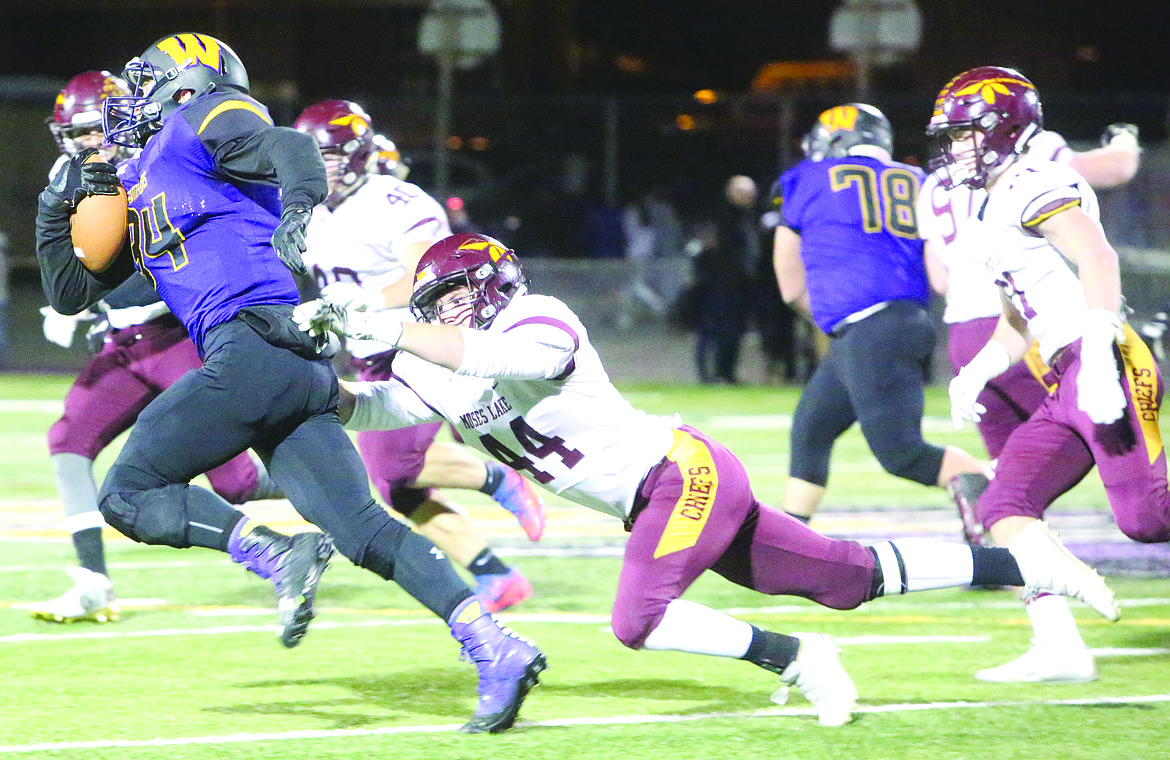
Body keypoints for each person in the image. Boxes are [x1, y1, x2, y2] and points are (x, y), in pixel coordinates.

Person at [295, 231, 1118, 727]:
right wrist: (309, 381)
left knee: (635, 619)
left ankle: (793, 658)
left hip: (679, 474)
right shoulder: (440, 356)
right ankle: (1028, 566)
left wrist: (384, 324)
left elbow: (498, 357)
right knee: (843, 576)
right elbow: (381, 410)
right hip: (657, 495)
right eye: (429, 305)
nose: (437, 315)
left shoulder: (537, 318)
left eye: (446, 301)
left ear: (484, 290)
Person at [35, 33, 544, 733]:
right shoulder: (144, 174)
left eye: (146, 82)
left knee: (127, 491)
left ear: (185, 82)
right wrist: (52, 209)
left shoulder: (198, 120)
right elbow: (69, 290)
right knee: (363, 529)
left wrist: (300, 209)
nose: (133, 101)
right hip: (289, 363)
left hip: (254, 345)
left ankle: (275, 553)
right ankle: (497, 646)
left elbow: (292, 150)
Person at [929, 65, 1165, 684]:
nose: (955, 149)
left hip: (1101, 361)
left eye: (964, 134)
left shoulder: (1037, 180)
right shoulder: (990, 203)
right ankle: (1061, 650)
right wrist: (979, 367)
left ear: (1004, 129)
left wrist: (1099, 351)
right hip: (1062, 372)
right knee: (1004, 503)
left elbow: (1096, 255)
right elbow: (1019, 315)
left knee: (1147, 519)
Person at [30, 70, 281, 625]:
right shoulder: (71, 174)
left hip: (175, 333)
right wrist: (75, 303)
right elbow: (86, 261)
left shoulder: (159, 157)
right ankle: (94, 582)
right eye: (74, 133)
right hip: (124, 342)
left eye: (91, 130)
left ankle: (323, 485)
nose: (83, 143)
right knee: (69, 442)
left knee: (236, 482)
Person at [292, 98, 544, 613]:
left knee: (392, 468)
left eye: (333, 156)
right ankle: (495, 574)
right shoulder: (309, 210)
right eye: (316, 156)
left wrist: (361, 303)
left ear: (360, 153)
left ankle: (499, 478)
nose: (324, 167)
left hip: (417, 344)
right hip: (369, 353)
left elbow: (423, 276)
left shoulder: (397, 201)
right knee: (396, 486)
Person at [918, 116, 1142, 546]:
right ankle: (1021, 548)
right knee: (1111, 459)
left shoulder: (940, 184)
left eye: (965, 134)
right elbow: (1117, 169)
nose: (958, 147)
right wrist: (1125, 139)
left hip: (966, 331)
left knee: (1018, 473)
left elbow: (940, 278)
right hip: (1029, 331)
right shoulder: (1032, 160)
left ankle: (1012, 551)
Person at [771, 103, 991, 526]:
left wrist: (827, 311)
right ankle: (791, 535)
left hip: (870, 327)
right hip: (902, 319)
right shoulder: (920, 179)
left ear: (833, 141)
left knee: (901, 453)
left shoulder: (807, 177)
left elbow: (790, 279)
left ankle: (1000, 496)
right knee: (811, 428)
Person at [692, 175, 760, 384]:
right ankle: (709, 374)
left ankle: (727, 373)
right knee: (712, 330)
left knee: (735, 332)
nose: (749, 198)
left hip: (742, 286)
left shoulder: (750, 218)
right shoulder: (718, 217)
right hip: (718, 285)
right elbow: (706, 251)